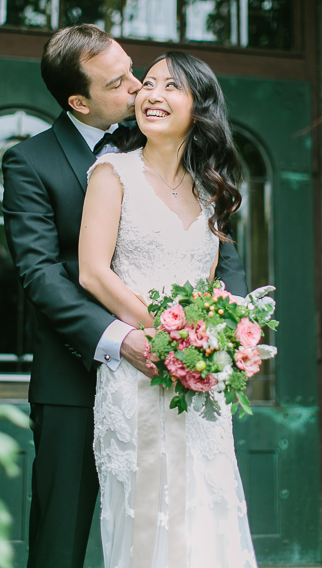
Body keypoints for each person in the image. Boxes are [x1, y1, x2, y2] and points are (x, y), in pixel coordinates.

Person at [1, 25, 247, 568]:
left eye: (136, 71)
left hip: (178, 376)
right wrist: (125, 339)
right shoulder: (31, 162)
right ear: (78, 101)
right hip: (76, 375)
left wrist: (226, 335)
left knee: (178, 528)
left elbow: (221, 259)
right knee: (60, 539)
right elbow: (42, 274)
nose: (140, 88)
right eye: (121, 82)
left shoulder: (164, 145)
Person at [79, 51, 256, 567]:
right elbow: (93, 272)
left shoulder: (208, 192)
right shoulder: (112, 172)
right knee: (146, 515)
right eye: (147, 84)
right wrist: (168, 336)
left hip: (196, 379)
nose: (151, 95)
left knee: (205, 507)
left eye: (170, 86)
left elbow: (208, 289)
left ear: (198, 108)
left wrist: (219, 339)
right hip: (140, 369)